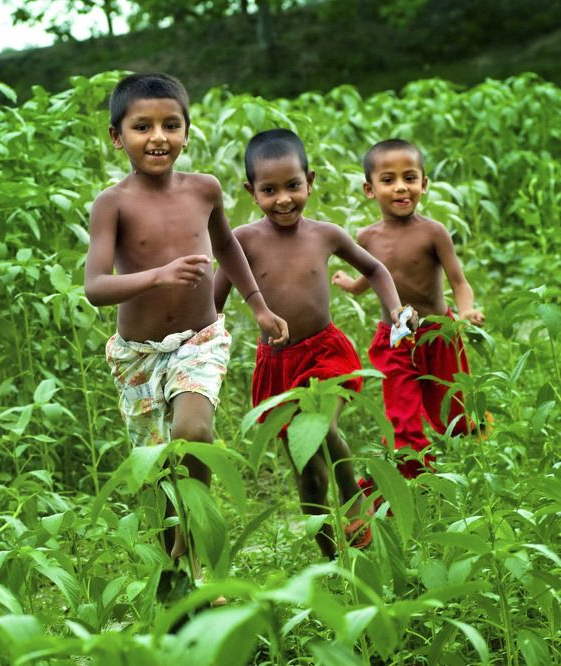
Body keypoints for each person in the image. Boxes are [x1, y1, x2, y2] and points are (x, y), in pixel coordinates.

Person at [84, 73, 289, 579]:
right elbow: (95, 286)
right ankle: (174, 576)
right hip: (138, 353)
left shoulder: (204, 189)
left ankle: (193, 548)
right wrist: (158, 275)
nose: (158, 137)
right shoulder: (113, 203)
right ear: (116, 137)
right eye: (142, 127)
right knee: (156, 467)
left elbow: (228, 247)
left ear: (187, 132)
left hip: (200, 339)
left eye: (170, 125)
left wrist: (258, 306)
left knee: (193, 430)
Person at [213, 129, 413, 559]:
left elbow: (375, 269)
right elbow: (214, 301)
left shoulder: (326, 234)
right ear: (251, 191)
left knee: (321, 422)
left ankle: (353, 495)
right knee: (308, 475)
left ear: (310, 181)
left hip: (325, 353)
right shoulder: (242, 241)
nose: (283, 199)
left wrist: (396, 309)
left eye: (293, 186)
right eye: (269, 190)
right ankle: (330, 557)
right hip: (277, 365)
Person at [332, 138, 484, 480]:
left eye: (410, 178)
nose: (401, 187)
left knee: (454, 414)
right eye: (388, 180)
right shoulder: (367, 237)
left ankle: (474, 440)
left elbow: (459, 282)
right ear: (370, 189)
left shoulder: (433, 233)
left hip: (439, 334)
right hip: (396, 338)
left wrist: (465, 313)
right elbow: (373, 275)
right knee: (402, 417)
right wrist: (351, 285)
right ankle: (416, 478)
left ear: (424, 184)